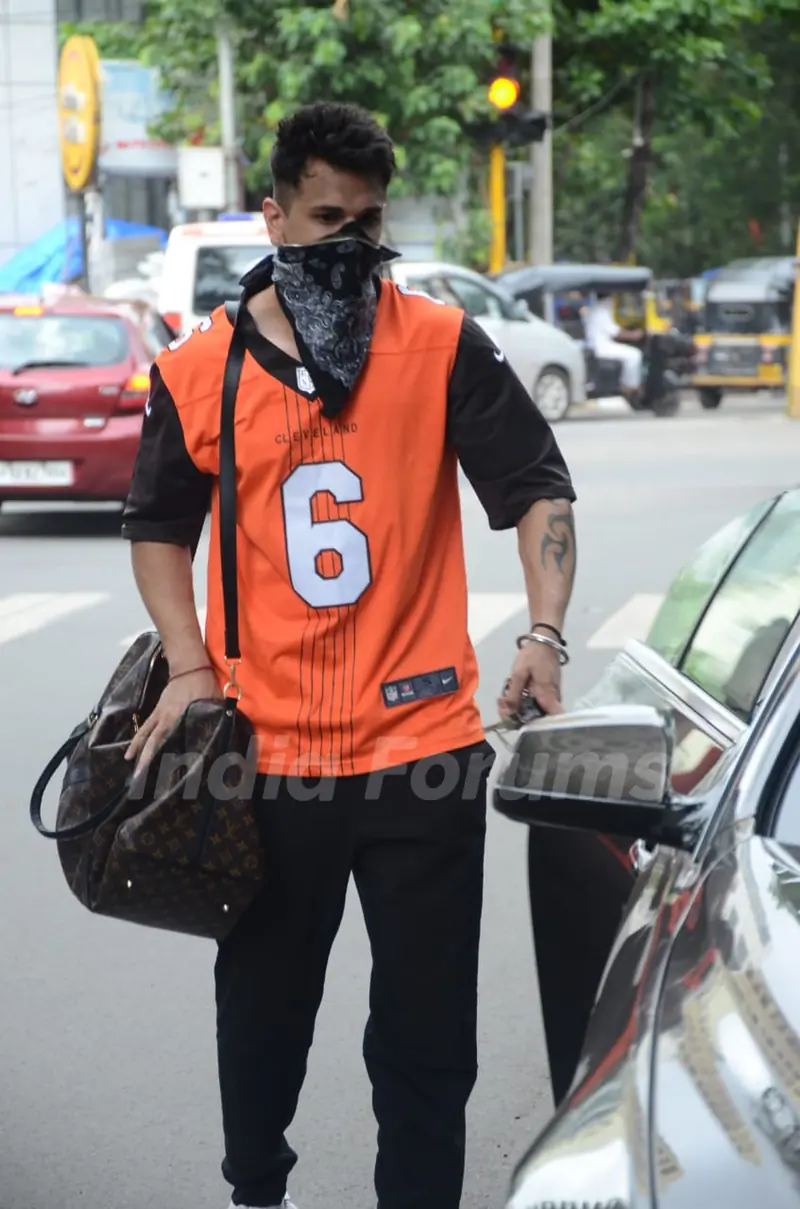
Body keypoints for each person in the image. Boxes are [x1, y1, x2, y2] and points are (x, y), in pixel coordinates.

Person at [120, 100, 576, 1209]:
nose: (350, 244)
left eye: (368, 222)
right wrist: (187, 666)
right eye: (325, 218)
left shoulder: (439, 344)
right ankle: (256, 1189)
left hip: (423, 755)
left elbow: (535, 490)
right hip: (267, 761)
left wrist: (545, 632)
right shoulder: (200, 370)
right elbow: (155, 527)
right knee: (264, 1015)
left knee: (426, 1044)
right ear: (271, 214)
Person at [583, 288, 644, 401]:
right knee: (635, 354)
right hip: (601, 347)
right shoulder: (601, 310)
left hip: (598, 345)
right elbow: (616, 332)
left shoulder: (596, 309)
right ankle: (631, 386)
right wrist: (634, 335)